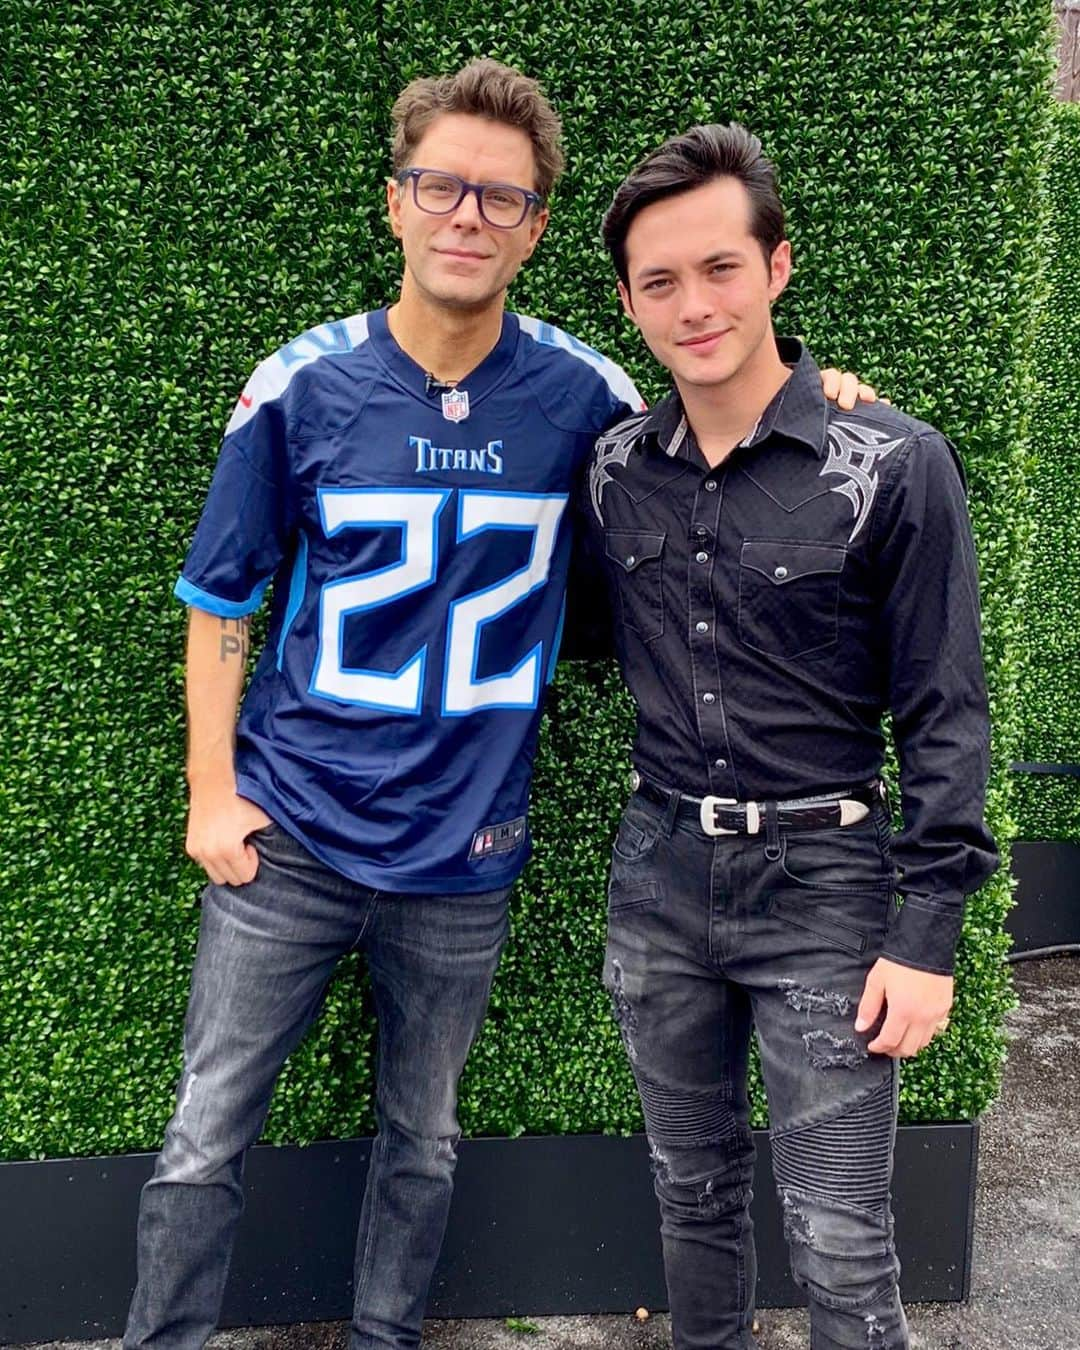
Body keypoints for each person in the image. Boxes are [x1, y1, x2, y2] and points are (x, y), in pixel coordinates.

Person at [125, 59, 872, 1350]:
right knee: (203, 1131)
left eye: (503, 198)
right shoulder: (300, 383)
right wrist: (211, 791)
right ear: (396, 203)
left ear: (534, 225)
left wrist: (827, 400)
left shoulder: (586, 396)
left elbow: (720, 450)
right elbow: (217, 594)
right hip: (290, 839)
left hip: (465, 858)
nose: (468, 215)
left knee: (424, 1139)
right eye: (442, 186)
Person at [586, 124, 998, 1350]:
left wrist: (928, 938)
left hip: (826, 884)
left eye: (721, 268)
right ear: (628, 302)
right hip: (658, 870)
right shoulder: (612, 468)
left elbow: (946, 711)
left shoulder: (893, 463)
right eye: (659, 281)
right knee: (691, 1191)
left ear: (777, 268)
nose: (692, 303)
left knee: (838, 1230)